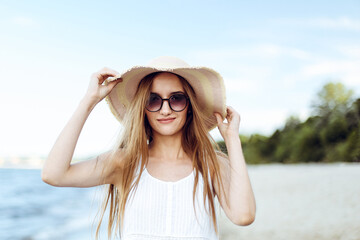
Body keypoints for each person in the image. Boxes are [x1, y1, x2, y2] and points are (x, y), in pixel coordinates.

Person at [42, 56, 256, 240]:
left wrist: (232, 140)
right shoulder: (125, 163)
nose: (165, 109)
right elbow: (54, 174)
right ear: (143, 109)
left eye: (176, 99)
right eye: (153, 100)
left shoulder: (211, 164)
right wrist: (88, 101)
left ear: (189, 107)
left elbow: (243, 216)